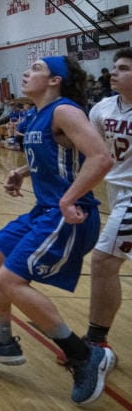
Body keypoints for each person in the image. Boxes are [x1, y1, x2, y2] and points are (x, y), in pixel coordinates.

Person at [0, 55, 115, 406]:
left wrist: (67, 199)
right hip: (43, 211)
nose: (27, 72)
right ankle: (3, 341)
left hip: (68, 214)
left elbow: (100, 158)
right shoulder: (35, 114)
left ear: (55, 80)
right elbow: (58, 156)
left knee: (8, 280)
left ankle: (82, 355)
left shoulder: (66, 111)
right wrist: (22, 172)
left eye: (37, 69)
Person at [85, 48, 132, 356]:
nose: (114, 72)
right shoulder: (103, 108)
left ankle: (95, 340)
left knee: (103, 261)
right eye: (114, 67)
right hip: (115, 194)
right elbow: (90, 151)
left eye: (124, 68)